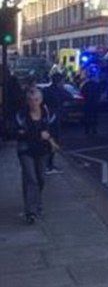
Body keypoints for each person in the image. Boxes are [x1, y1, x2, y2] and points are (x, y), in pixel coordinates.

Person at [15, 88, 58, 224]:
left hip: (43, 151)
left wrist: (52, 140)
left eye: (36, 100)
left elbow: (54, 130)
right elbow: (17, 133)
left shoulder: (48, 113)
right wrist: (39, 134)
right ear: (27, 101)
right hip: (25, 150)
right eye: (30, 100)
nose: (33, 103)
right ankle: (31, 212)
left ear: (41, 100)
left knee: (40, 178)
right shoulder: (21, 115)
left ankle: (37, 203)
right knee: (31, 179)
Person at [42, 73, 70, 174]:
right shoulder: (59, 91)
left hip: (46, 117)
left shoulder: (46, 90)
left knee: (47, 141)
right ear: (59, 81)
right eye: (63, 81)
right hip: (54, 118)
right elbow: (70, 96)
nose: (63, 83)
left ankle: (45, 164)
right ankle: (49, 166)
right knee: (53, 141)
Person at [80, 71, 101, 136]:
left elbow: (82, 92)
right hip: (94, 103)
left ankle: (87, 130)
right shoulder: (96, 84)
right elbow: (99, 93)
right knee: (94, 116)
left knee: (87, 116)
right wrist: (97, 99)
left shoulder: (85, 84)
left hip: (87, 103)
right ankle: (94, 130)